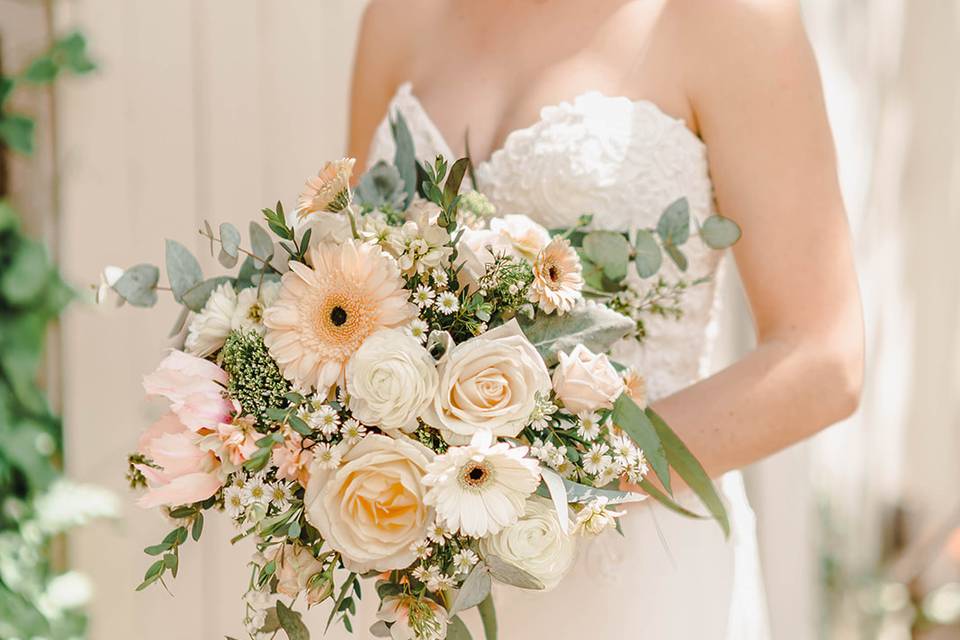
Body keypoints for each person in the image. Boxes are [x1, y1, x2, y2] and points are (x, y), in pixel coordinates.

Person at [345, 1, 863, 637]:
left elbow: (823, 360)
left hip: (636, 564)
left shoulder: (730, 18)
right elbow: (354, 278)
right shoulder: (400, 16)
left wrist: (546, 475)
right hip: (434, 572)